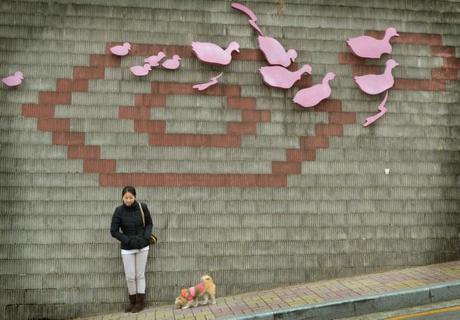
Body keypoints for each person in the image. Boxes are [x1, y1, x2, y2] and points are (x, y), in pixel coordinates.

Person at [110, 186, 153, 313]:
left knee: (140, 275)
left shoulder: (142, 207)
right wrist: (127, 240)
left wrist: (145, 238)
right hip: (127, 248)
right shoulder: (118, 211)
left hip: (142, 246)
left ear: (135, 197)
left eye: (131, 197)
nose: (128, 200)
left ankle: (140, 303)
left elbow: (149, 224)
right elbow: (114, 231)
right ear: (122, 198)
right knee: (130, 276)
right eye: (126, 198)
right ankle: (132, 301)